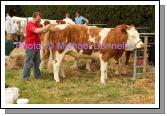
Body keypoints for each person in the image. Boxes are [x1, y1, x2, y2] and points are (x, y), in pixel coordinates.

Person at [22, 12, 50, 81]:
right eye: (38, 19)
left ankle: (38, 76)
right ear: (34, 17)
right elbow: (37, 31)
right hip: (30, 46)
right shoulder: (30, 24)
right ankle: (25, 78)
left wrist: (48, 29)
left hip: (37, 46)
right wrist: (46, 27)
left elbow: (42, 31)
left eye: (40, 19)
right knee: (28, 63)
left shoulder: (38, 24)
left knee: (37, 63)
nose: (39, 20)